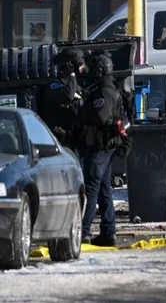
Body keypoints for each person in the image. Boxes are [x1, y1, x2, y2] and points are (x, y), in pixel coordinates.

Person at [77, 53, 128, 247]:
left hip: (99, 146)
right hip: (105, 146)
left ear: (100, 70)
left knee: (91, 188)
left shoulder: (103, 92)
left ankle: (83, 230)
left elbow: (101, 118)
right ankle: (108, 231)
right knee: (104, 189)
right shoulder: (107, 89)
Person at [35, 48, 86, 148]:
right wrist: (72, 74)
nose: (81, 69)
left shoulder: (74, 83)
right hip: (57, 138)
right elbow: (68, 95)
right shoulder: (55, 85)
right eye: (79, 65)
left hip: (71, 137)